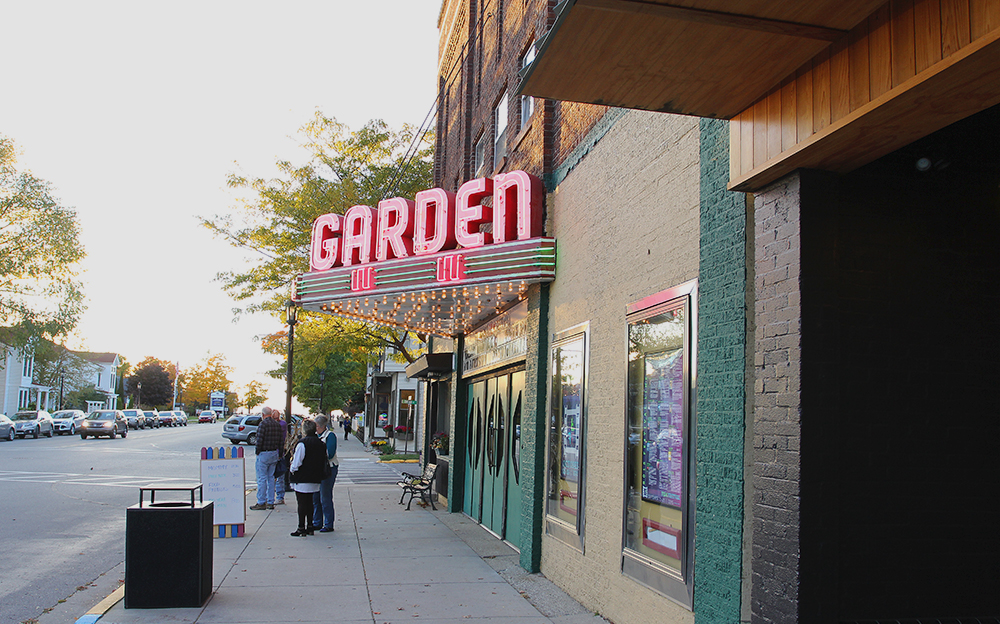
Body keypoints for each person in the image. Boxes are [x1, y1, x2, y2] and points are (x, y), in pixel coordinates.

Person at [288, 419, 327, 536]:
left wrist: (292, 469)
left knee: (301, 503)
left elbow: (297, 463)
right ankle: (310, 526)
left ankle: (301, 527)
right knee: (311, 503)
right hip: (315, 478)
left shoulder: (302, 444)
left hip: (302, 478)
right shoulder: (321, 444)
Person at [250, 406, 283, 510]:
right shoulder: (277, 425)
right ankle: (270, 501)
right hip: (274, 453)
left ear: (263, 414)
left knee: (262, 478)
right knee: (271, 478)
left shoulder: (263, 424)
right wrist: (280, 454)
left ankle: (261, 501)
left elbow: (259, 440)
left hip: (264, 453)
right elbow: (281, 441)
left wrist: (257, 452)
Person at [312, 415, 339, 532]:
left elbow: (330, 454)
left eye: (316, 426)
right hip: (317, 469)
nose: (315, 428)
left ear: (322, 426)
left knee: (325, 496)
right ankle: (317, 522)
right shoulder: (315, 436)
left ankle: (329, 523)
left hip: (328, 469)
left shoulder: (330, 436)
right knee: (315, 497)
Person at [273, 409, 287, 504]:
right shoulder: (280, 424)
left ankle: (280, 496)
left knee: (279, 477)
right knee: (271, 477)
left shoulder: (282, 424)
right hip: (275, 452)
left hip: (279, 452)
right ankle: (275, 496)